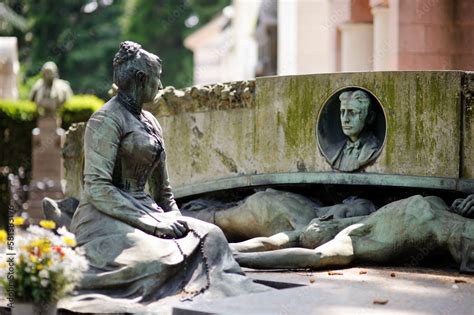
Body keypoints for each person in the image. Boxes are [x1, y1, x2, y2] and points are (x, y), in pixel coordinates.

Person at [67, 41, 267, 312]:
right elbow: (97, 188)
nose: (160, 86)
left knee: (211, 236)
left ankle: (219, 296)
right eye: (157, 78)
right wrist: (153, 224)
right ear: (141, 79)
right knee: (153, 259)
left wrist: (176, 219)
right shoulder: (105, 120)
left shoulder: (151, 122)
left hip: (147, 211)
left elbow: (164, 192)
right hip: (104, 216)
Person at [234, 194, 474, 274]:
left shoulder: (371, 241)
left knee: (290, 238)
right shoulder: (365, 230)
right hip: (436, 211)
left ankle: (230, 251)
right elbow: (289, 244)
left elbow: (314, 256)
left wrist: (238, 259)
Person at [329, 89, 380, 172]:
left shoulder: (374, 149)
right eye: (342, 112)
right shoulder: (333, 150)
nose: (345, 119)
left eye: (352, 113)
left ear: (370, 117)